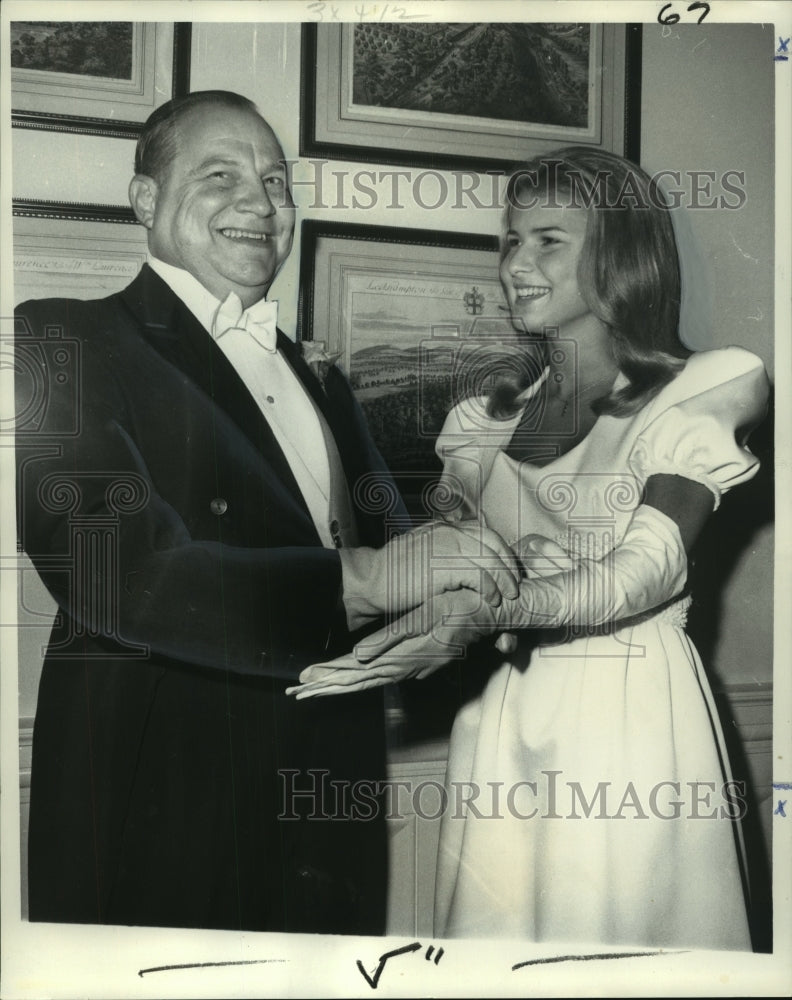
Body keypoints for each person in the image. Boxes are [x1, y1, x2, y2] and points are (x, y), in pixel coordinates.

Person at [14, 90, 520, 934]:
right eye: (220, 176)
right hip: (164, 813)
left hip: (329, 802)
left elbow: (396, 550)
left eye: (276, 182)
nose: (260, 202)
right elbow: (113, 570)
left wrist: (455, 607)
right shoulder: (59, 340)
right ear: (146, 199)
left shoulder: (320, 374)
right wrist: (368, 579)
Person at [292, 147, 770, 949]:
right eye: (510, 241)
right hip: (507, 707)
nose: (517, 264)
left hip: (626, 715)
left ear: (622, 253)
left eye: (549, 240)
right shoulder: (486, 421)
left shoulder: (709, 383)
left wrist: (505, 609)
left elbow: (641, 571)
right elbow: (458, 560)